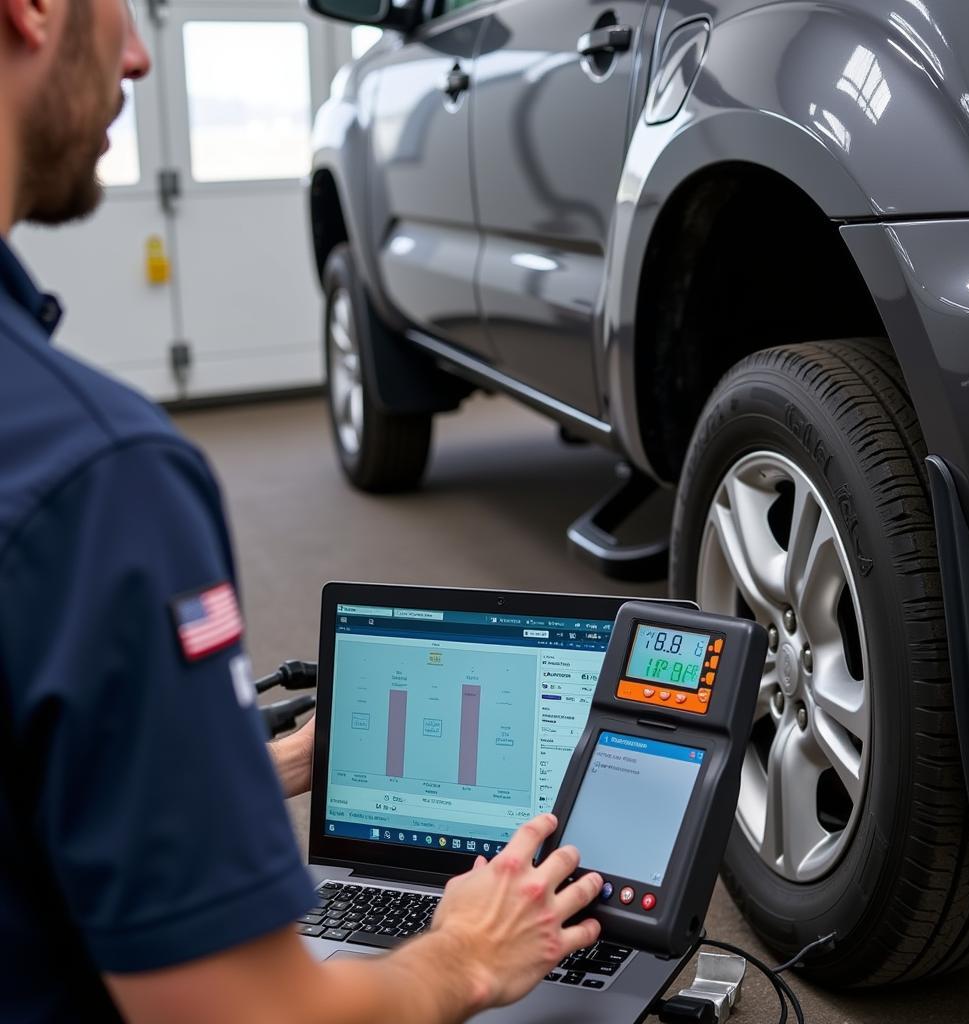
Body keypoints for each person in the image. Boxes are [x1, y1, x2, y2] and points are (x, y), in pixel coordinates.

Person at [0, 3, 603, 1022]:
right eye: (120, 9)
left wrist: (241, 760)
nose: (140, 55)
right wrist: (461, 954)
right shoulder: (101, 479)